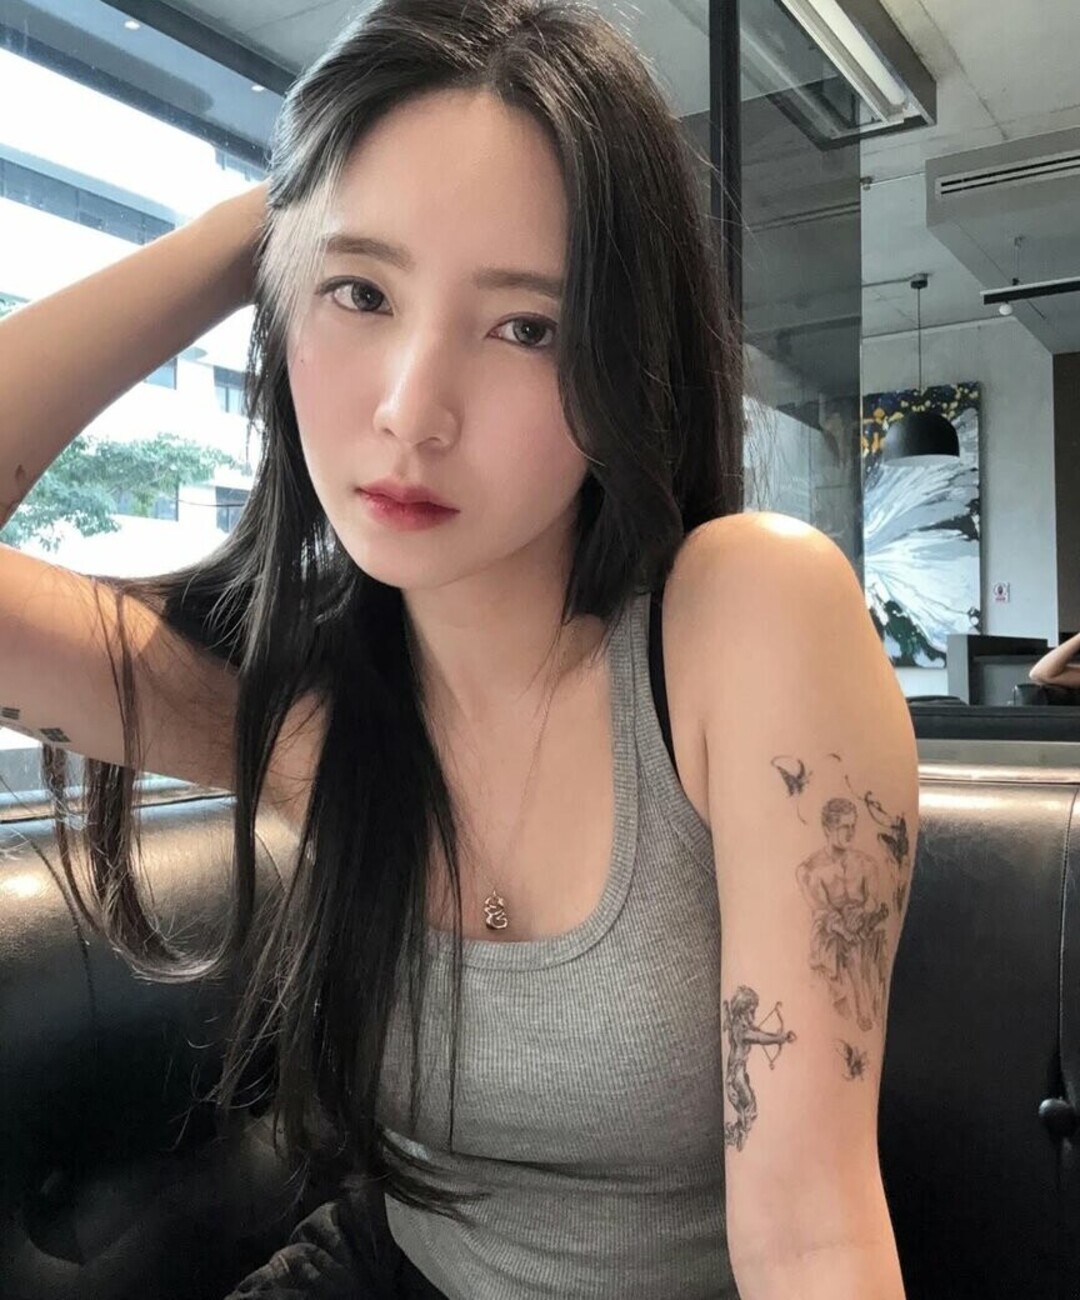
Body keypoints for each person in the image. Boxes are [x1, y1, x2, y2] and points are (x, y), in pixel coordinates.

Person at [0, 1, 919, 1296]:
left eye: (525, 326)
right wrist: (259, 229)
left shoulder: (745, 620)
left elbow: (811, 1236)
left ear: (623, 362)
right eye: (361, 293)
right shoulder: (307, 715)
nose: (411, 411)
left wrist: (347, 242)